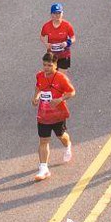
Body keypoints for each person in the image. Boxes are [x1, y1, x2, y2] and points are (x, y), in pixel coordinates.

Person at [34, 52, 76, 180]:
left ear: (56, 65)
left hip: (58, 114)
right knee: (43, 140)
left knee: (60, 135)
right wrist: (35, 97)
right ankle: (43, 168)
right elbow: (38, 87)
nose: (46, 68)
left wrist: (60, 99)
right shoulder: (40, 76)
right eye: (44, 65)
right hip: (43, 114)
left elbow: (72, 92)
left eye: (49, 65)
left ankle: (68, 145)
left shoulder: (61, 78)